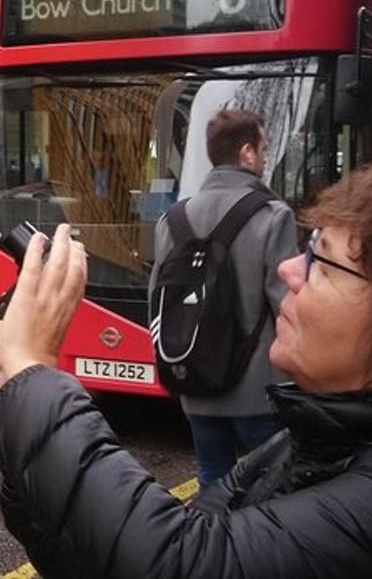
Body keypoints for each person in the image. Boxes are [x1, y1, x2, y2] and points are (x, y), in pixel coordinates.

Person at [0, 133, 372, 578]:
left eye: (323, 261)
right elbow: (122, 554)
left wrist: (35, 372)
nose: (289, 269)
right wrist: (15, 407)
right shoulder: (333, 430)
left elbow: (179, 563)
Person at [151, 109, 297, 487]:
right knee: (269, 488)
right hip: (257, 392)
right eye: (263, 148)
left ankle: (209, 544)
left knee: (212, 480)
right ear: (247, 153)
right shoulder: (272, 215)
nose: (264, 158)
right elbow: (287, 307)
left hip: (195, 381)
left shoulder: (174, 218)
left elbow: (157, 299)